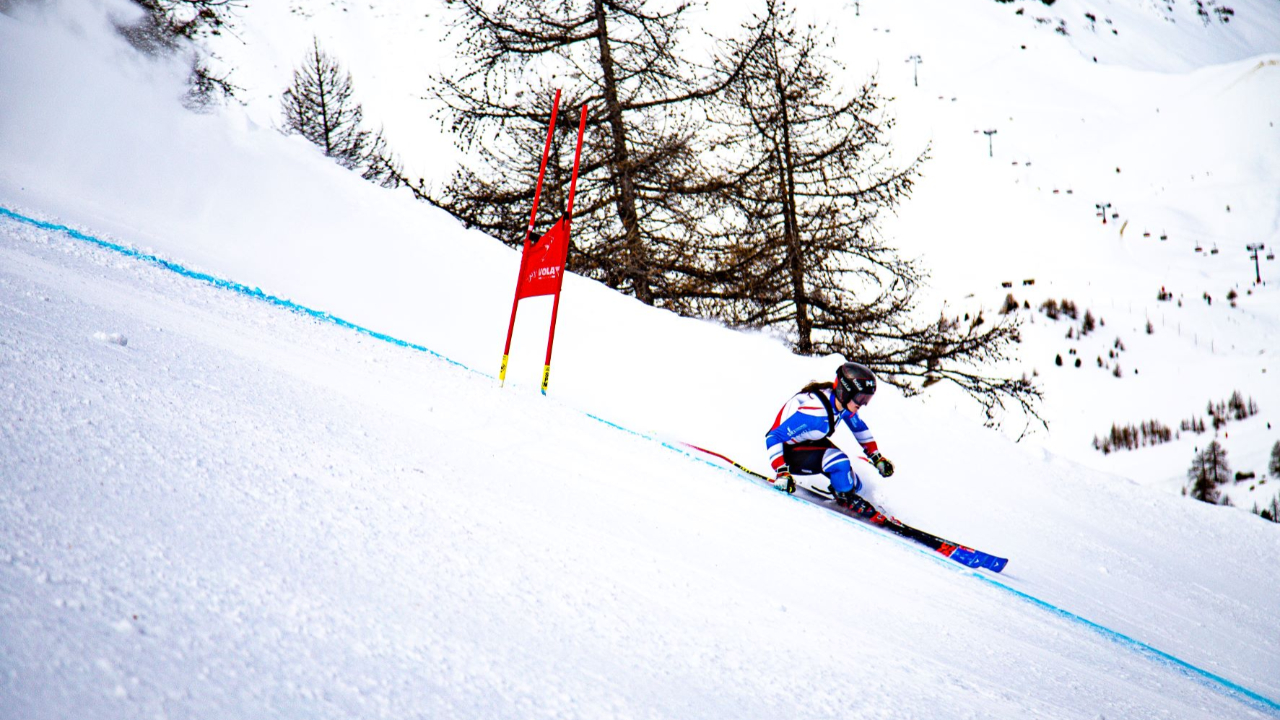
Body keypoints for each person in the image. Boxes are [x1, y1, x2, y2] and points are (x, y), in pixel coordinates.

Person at [764, 362, 894, 506]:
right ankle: (844, 497)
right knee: (840, 463)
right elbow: (773, 437)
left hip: (808, 442)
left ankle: (856, 497)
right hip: (787, 453)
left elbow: (859, 428)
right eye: (860, 398)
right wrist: (782, 473)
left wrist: (877, 457)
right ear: (846, 392)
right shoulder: (815, 412)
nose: (862, 404)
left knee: (853, 482)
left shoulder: (842, 405)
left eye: (866, 399)